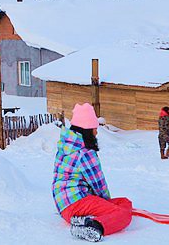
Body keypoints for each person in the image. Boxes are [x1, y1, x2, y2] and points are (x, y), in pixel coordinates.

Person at [52, 103, 133, 241]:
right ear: (87, 130)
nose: (96, 132)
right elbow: (99, 185)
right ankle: (94, 227)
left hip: (64, 204)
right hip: (77, 203)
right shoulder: (85, 153)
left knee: (125, 202)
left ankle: (84, 219)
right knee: (123, 214)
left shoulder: (67, 145)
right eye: (95, 128)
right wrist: (109, 207)